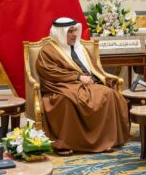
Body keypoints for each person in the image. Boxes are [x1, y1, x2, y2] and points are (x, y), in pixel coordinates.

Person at [34, 17, 129, 154]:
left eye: (75, 31)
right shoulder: (47, 51)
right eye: (70, 31)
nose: (74, 35)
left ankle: (105, 141)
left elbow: (94, 68)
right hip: (60, 86)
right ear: (59, 33)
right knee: (67, 99)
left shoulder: (81, 48)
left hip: (87, 84)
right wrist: (77, 77)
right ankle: (65, 144)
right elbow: (49, 72)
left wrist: (94, 78)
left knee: (108, 94)